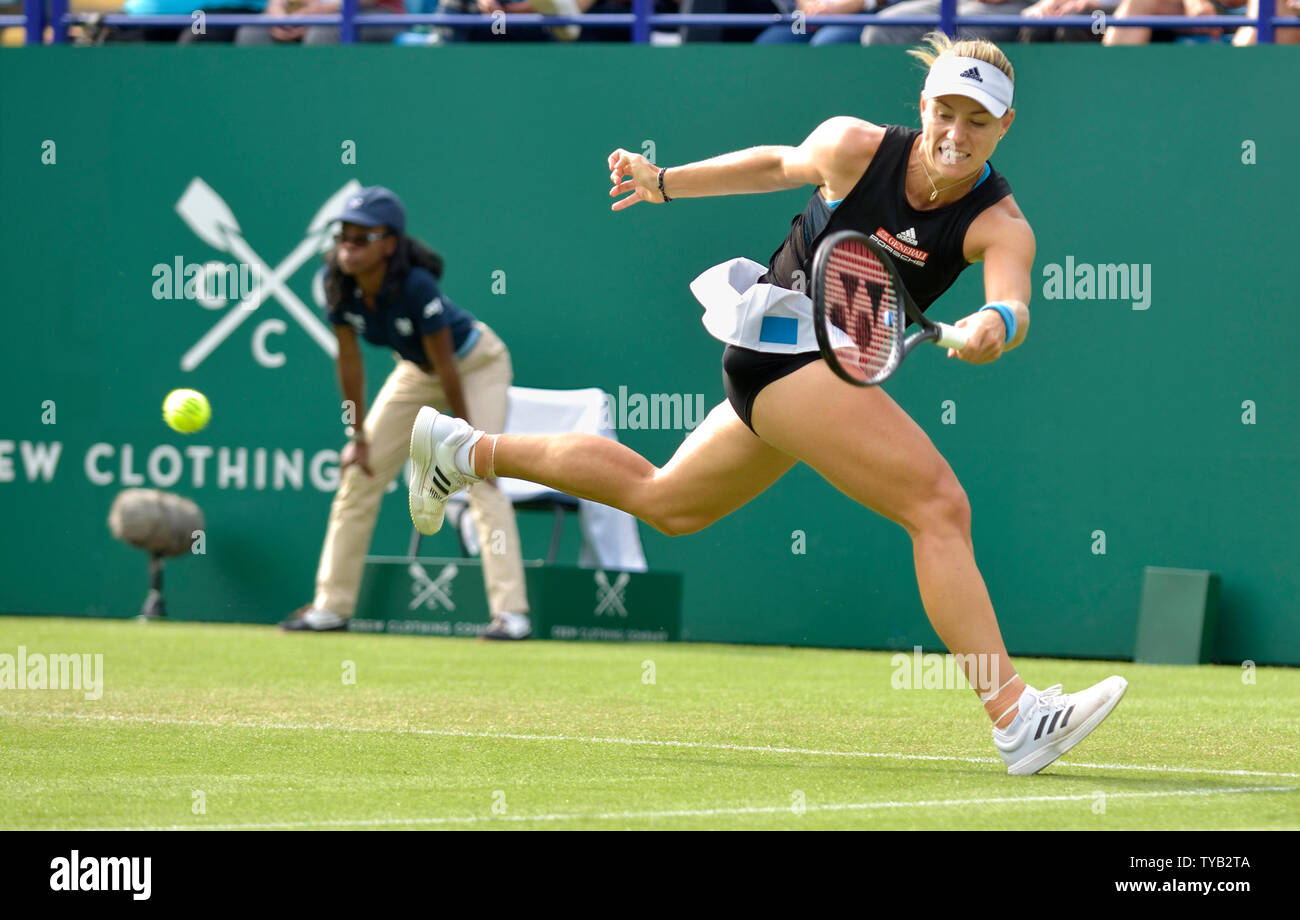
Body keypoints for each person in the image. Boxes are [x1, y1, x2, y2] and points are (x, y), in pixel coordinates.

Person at [407, 35, 1128, 774]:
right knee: (938, 505)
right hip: (778, 343)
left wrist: (994, 325)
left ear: (1004, 126)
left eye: (977, 120)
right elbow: (774, 164)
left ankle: (460, 450)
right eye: (945, 111)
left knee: (667, 502)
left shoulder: (998, 224)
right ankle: (1015, 715)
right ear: (923, 107)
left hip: (812, 374)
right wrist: (664, 182)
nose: (956, 133)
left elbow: (1013, 299)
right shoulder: (855, 147)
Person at [282, 187, 532, 640]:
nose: (349, 245)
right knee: (360, 472)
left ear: (389, 244)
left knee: (480, 476)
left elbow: (447, 366)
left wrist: (468, 439)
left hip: (475, 365)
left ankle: (511, 615)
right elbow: (349, 361)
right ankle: (331, 607)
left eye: (362, 236)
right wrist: (356, 437)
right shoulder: (334, 283)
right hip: (416, 373)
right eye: (343, 235)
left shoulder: (417, 287)